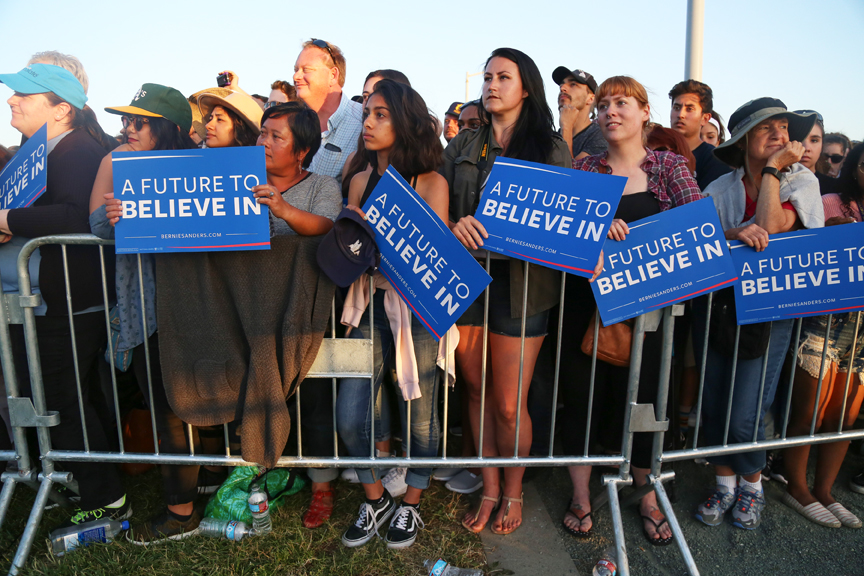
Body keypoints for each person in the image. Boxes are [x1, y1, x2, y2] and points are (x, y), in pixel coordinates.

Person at [560, 76, 703, 545]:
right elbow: (565, 233)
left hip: (650, 317)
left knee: (645, 404)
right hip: (589, 311)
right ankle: (581, 495)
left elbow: (696, 226)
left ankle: (645, 493)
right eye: (603, 105)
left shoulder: (668, 166)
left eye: (622, 103)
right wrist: (598, 227)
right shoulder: (586, 168)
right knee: (583, 402)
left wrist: (737, 233)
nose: (610, 112)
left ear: (645, 113)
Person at [444, 47, 570, 536]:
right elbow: (431, 197)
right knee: (475, 390)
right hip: (468, 282)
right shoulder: (463, 144)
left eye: (504, 77)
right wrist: (453, 224)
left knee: (508, 403)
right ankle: (489, 486)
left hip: (524, 288)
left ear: (526, 87)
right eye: (489, 76)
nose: (492, 84)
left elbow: (567, 220)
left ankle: (513, 491)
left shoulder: (551, 147)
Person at [0, 62, 128, 530]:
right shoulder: (46, 149)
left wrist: (8, 221)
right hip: (45, 299)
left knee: (62, 400)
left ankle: (106, 499)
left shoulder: (75, 149)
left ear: (60, 109)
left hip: (66, 301)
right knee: (56, 398)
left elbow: (76, 217)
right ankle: (78, 480)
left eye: (24, 97)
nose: (11, 102)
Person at [695, 98, 822, 531]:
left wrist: (771, 172)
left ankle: (753, 485)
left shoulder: (801, 180)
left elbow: (769, 226)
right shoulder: (719, 189)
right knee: (714, 402)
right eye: (767, 128)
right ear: (743, 139)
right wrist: (730, 233)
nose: (779, 135)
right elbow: (700, 243)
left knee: (746, 411)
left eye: (785, 128)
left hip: (771, 311)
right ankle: (724, 483)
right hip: (720, 307)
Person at [336, 78, 448, 549]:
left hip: (415, 311)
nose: (368, 122)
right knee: (350, 415)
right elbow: (348, 252)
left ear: (404, 123)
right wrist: (349, 232)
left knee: (421, 418)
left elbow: (434, 254)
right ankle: (375, 496)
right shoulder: (359, 179)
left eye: (381, 115)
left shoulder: (432, 182)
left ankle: (413, 504)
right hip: (365, 303)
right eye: (367, 113)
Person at [88, 83, 202, 543]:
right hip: (144, 309)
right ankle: (182, 505)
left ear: (168, 129)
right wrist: (111, 215)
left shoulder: (201, 170)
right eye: (125, 121)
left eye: (139, 123)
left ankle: (186, 508)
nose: (127, 129)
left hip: (195, 308)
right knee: (163, 408)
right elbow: (95, 224)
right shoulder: (121, 166)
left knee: (187, 406)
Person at [782, 143, 864, 529]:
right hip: (825, 322)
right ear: (853, 168)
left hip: (861, 332)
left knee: (845, 418)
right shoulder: (832, 201)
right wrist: (835, 233)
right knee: (808, 413)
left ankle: (826, 490)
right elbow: (808, 246)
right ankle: (798, 487)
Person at [293, 38, 362, 187]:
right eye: (296, 69)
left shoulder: (363, 122)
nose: (296, 76)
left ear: (333, 75)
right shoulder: (292, 123)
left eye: (306, 70)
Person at [668, 79, 731, 190]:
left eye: (689, 109)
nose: (680, 114)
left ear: (705, 118)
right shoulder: (654, 153)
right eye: (676, 108)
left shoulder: (715, 160)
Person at [551, 66, 607, 159]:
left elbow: (570, 172)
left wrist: (567, 127)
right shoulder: (554, 138)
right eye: (561, 85)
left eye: (573, 84)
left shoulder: (601, 135)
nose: (563, 88)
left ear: (590, 98)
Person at [197, 90, 262, 148]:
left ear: (240, 127)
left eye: (219, 119)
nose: (208, 126)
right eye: (210, 119)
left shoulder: (257, 161)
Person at [794, 110, 836, 196]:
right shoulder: (770, 183)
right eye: (799, 140)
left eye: (814, 140)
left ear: (822, 145)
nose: (806, 148)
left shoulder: (836, 189)